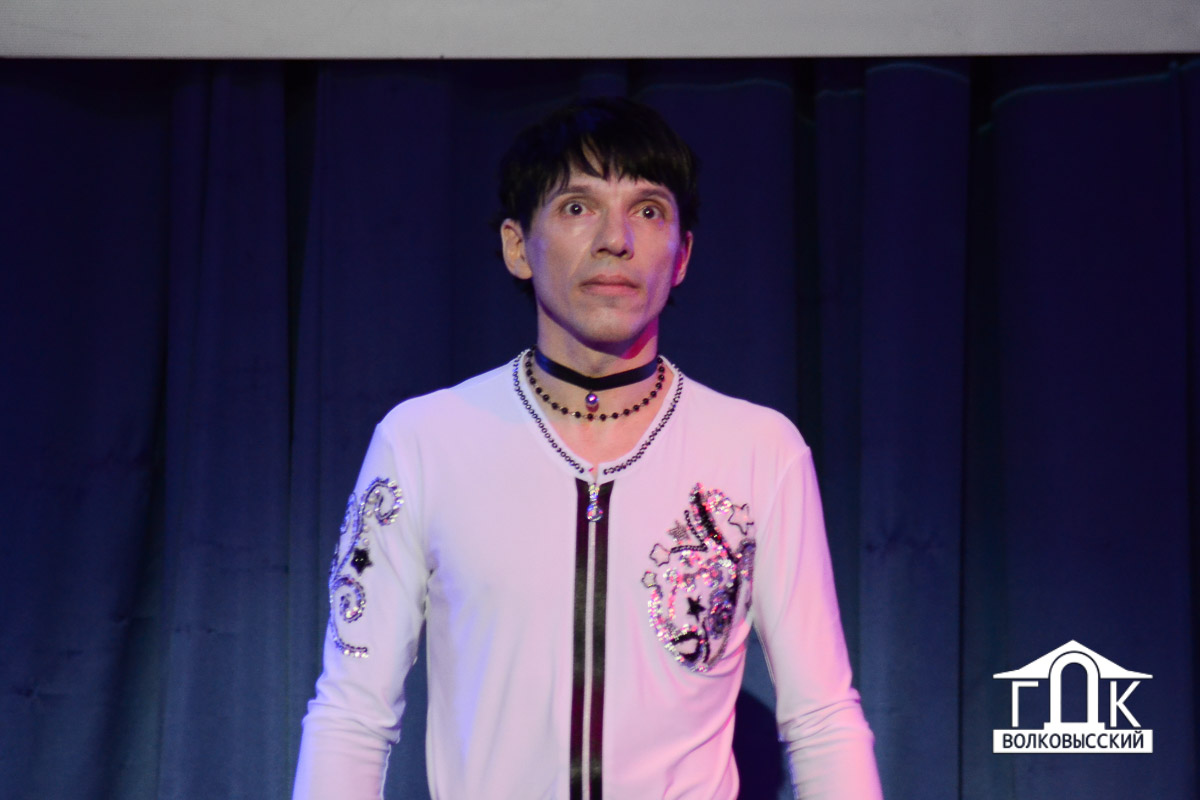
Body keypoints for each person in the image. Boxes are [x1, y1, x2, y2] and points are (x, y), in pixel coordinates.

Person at [293, 97, 882, 799]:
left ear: (683, 255)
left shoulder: (760, 450)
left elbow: (822, 717)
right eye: (578, 207)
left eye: (649, 210)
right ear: (517, 246)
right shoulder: (424, 441)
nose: (616, 239)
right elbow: (353, 713)